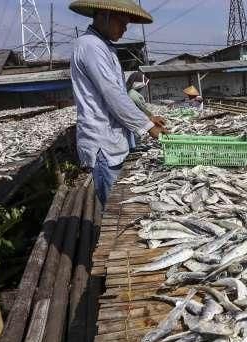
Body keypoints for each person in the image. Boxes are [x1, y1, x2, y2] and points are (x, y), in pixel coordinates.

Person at [69, 0, 167, 206]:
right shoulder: (90, 46)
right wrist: (148, 127)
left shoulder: (104, 47)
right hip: (104, 145)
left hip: (114, 142)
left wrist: (148, 117)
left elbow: (121, 93)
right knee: (115, 210)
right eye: (122, 22)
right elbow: (112, 94)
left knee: (123, 203)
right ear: (104, 15)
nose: (125, 29)